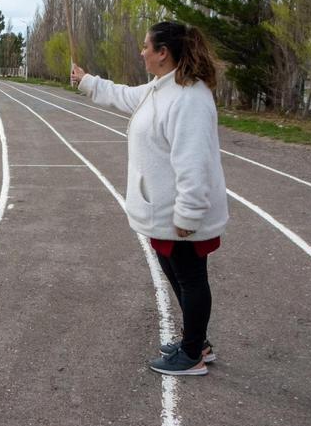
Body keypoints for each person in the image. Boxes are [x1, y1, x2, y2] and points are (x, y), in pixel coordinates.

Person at [70, 21, 228, 377]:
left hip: (179, 213)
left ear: (163, 53)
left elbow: (194, 163)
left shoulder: (189, 98)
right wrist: (87, 81)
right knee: (178, 273)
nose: (141, 52)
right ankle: (196, 341)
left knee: (190, 278)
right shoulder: (163, 88)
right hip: (163, 208)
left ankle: (193, 354)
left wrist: (188, 217)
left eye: (146, 46)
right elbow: (127, 96)